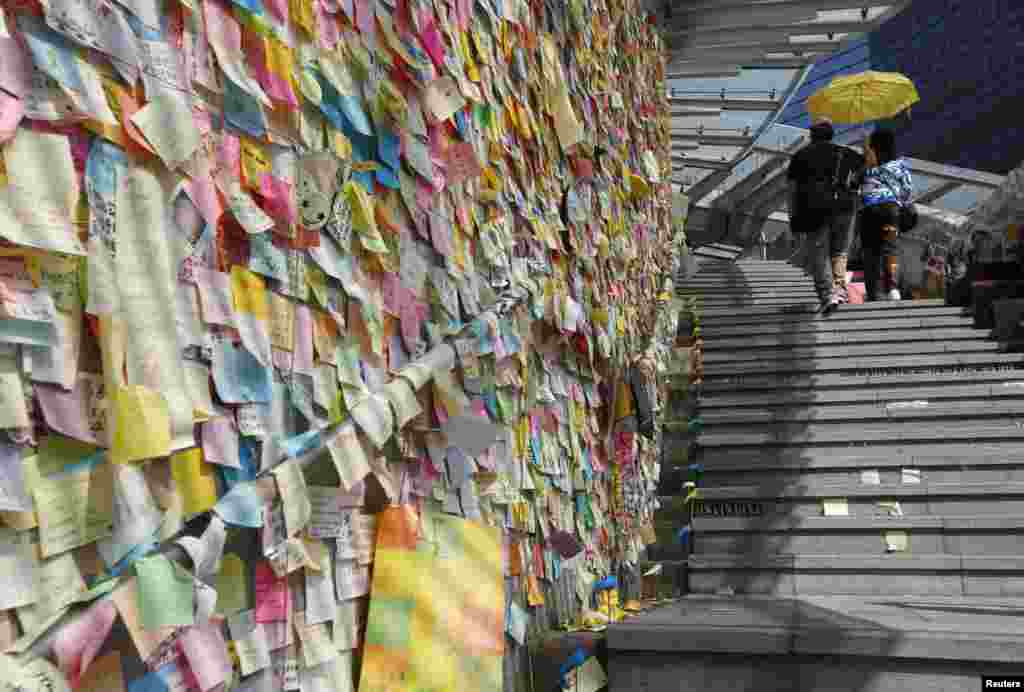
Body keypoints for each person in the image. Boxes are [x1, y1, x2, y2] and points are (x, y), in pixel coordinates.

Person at [786, 117, 864, 312]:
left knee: (819, 253)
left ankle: (828, 294)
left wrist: (792, 217)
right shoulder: (846, 153)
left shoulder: (800, 156)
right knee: (839, 252)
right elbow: (865, 171)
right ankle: (839, 290)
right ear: (831, 134)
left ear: (812, 135)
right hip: (845, 208)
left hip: (814, 210)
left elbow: (792, 191)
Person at [859, 128, 913, 301]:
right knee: (891, 248)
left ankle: (873, 291)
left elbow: (859, 190)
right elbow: (907, 191)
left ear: (874, 147)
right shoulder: (900, 166)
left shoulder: (868, 169)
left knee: (870, 252)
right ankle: (893, 289)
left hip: (869, 213)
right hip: (890, 212)